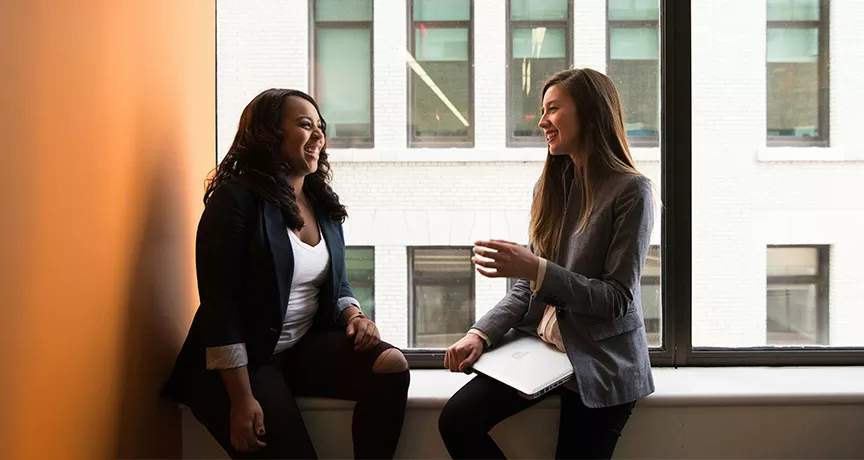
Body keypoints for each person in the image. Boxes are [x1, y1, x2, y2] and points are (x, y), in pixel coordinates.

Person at [162, 89, 410, 459]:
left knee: (391, 366)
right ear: (269, 134)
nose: (319, 135)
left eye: (320, 127)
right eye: (306, 125)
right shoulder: (235, 200)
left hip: (296, 348)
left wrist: (353, 314)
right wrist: (241, 399)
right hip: (240, 365)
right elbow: (220, 308)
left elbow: (336, 281)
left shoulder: (320, 201)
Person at [438, 68, 655, 460]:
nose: (541, 121)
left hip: (601, 360)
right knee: (457, 420)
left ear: (590, 112)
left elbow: (616, 299)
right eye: (543, 111)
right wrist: (480, 334)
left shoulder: (631, 190)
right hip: (544, 351)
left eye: (553, 109)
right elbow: (528, 287)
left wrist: (536, 269)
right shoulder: (550, 186)